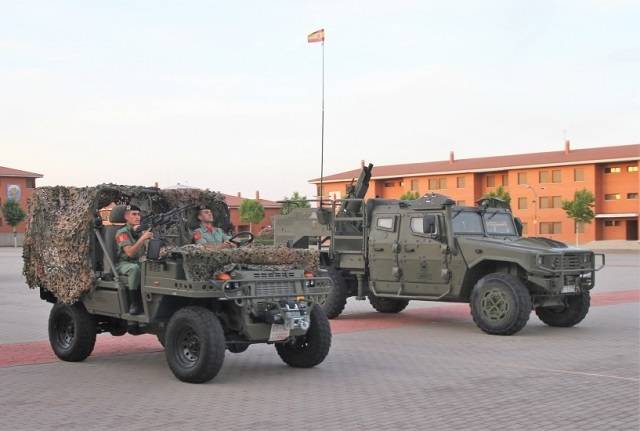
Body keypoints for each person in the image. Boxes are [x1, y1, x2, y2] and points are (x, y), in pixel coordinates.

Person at [115, 205, 153, 315]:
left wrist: (149, 239)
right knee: (135, 269)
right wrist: (142, 238)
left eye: (138, 214)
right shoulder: (122, 233)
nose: (137, 217)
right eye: (134, 214)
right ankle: (134, 303)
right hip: (124, 263)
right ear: (126, 217)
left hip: (139, 261)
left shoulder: (139, 230)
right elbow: (130, 253)